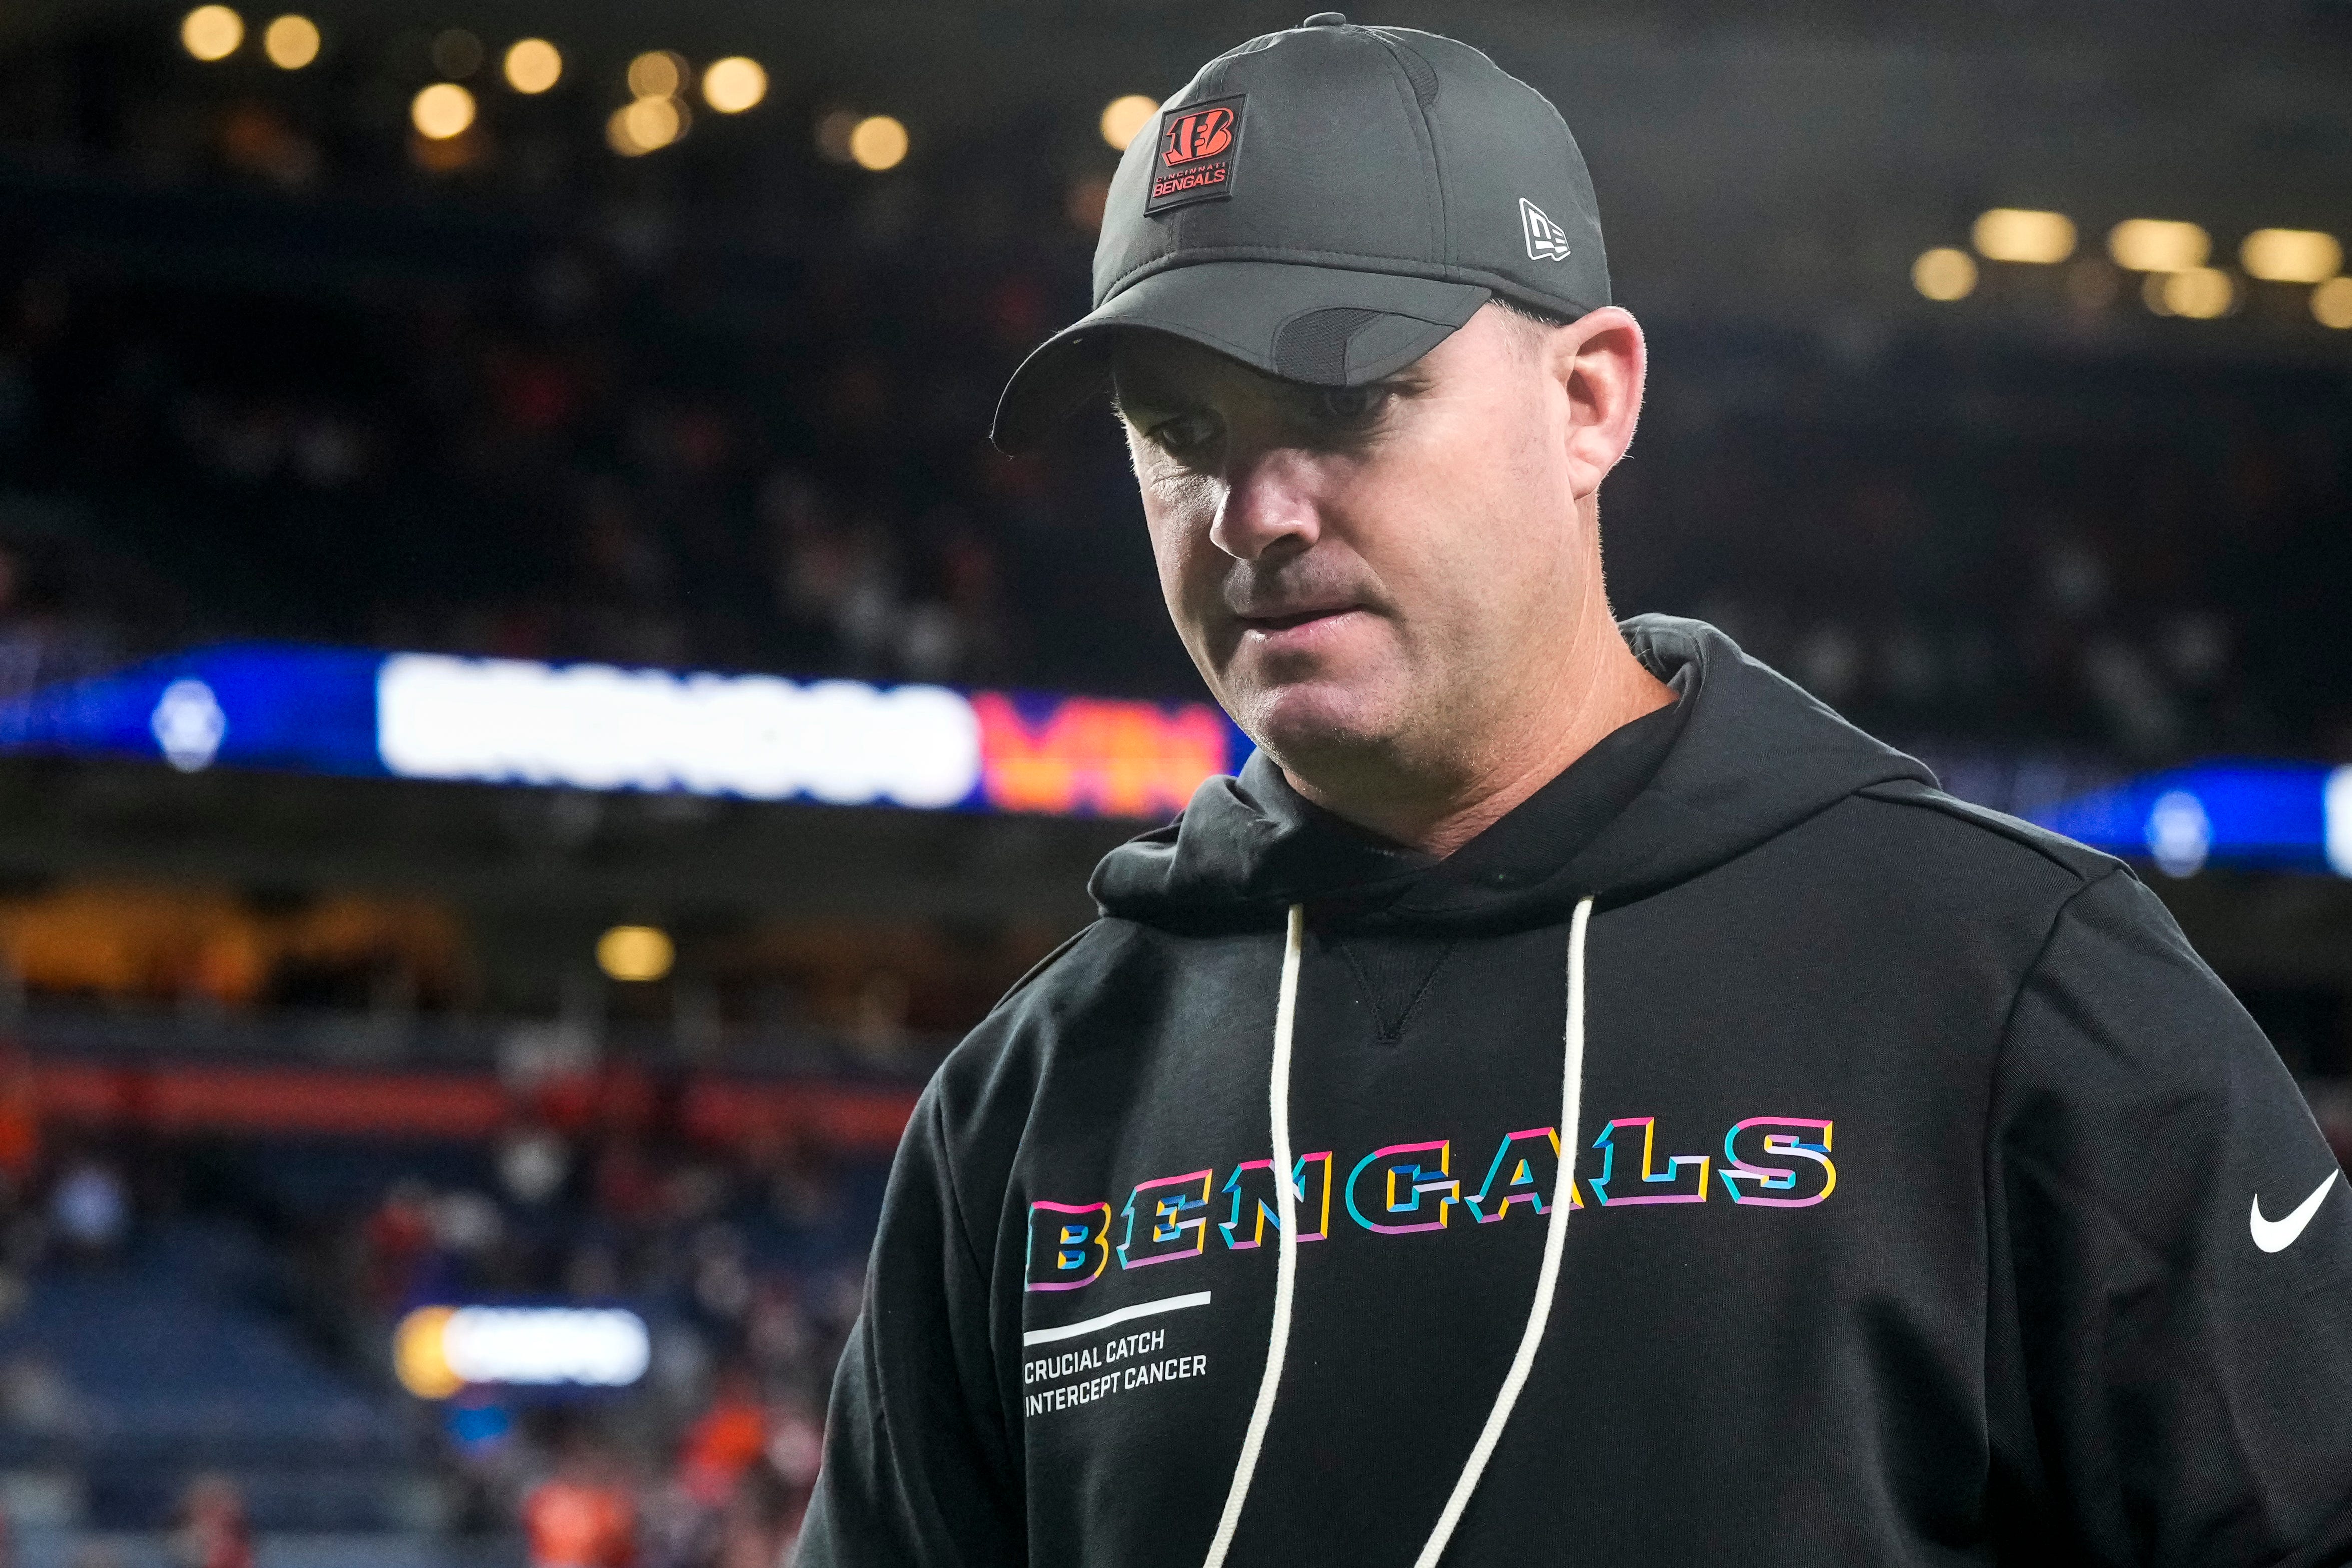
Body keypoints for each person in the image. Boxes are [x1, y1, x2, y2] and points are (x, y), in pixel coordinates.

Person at [799, 16, 2352, 1567]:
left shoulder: (2008, 985)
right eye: (1178, 435)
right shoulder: (1029, 1096)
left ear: (1589, 400)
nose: (1248, 514)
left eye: (1342, 401)